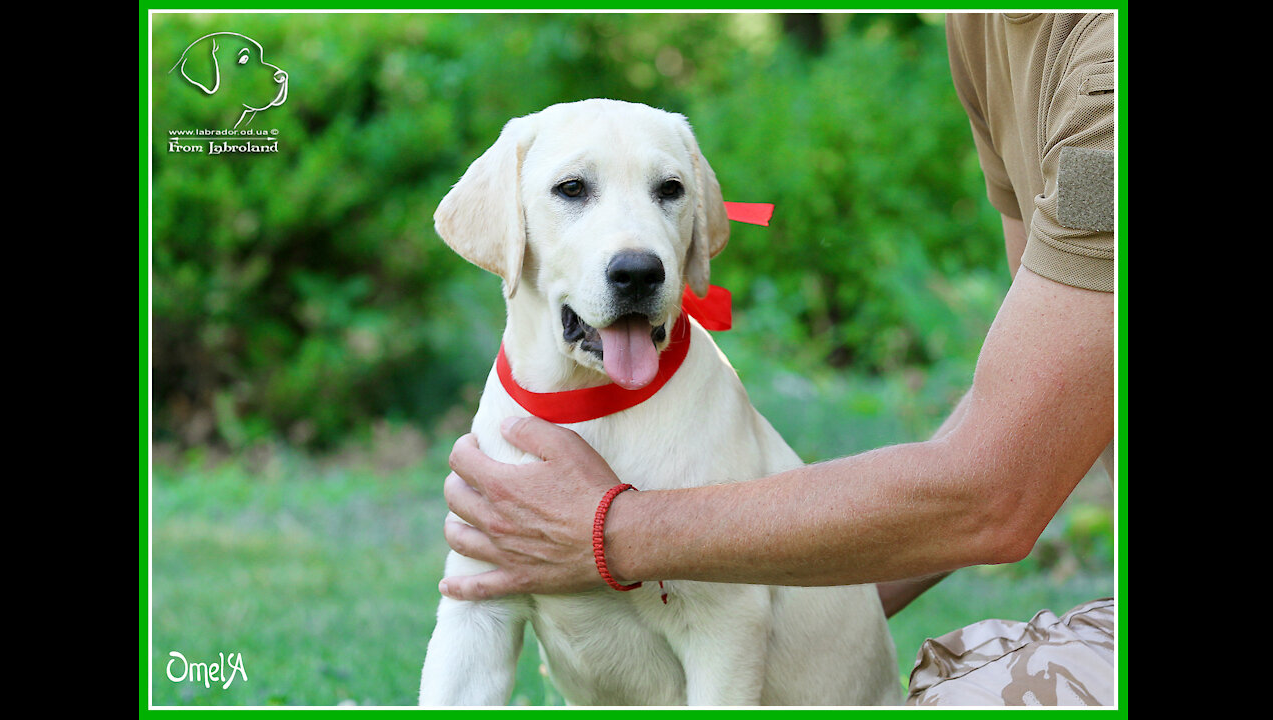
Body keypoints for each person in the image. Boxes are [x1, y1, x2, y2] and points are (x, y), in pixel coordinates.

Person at [439, 12, 1117, 707]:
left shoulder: (1106, 82)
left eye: (668, 193)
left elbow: (1000, 488)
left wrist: (616, 533)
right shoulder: (982, 26)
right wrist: (819, 589)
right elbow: (1043, 392)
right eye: (573, 191)